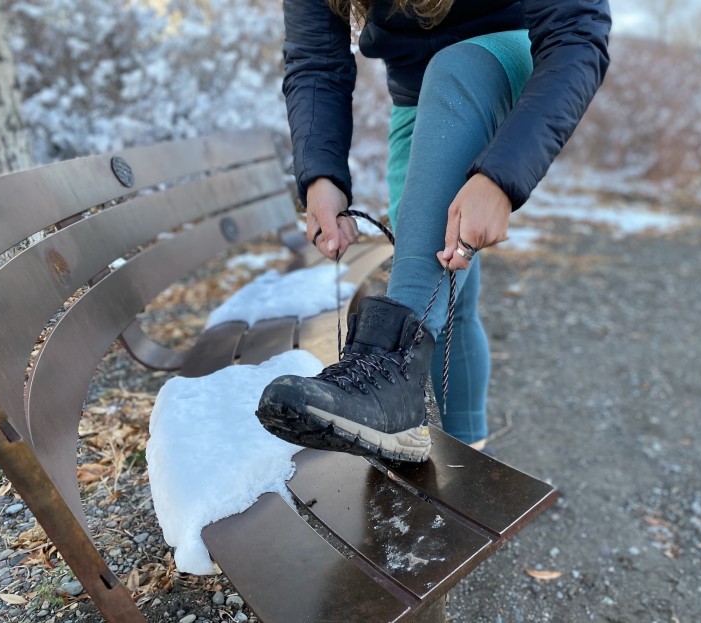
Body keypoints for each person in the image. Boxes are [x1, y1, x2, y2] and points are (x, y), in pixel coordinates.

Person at [257, 0, 611, 462]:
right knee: (442, 290)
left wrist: (501, 178)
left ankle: (387, 370)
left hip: (514, 58)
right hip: (417, 99)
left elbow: (576, 32)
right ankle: (467, 464)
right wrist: (321, 176)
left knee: (456, 67)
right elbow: (316, 59)